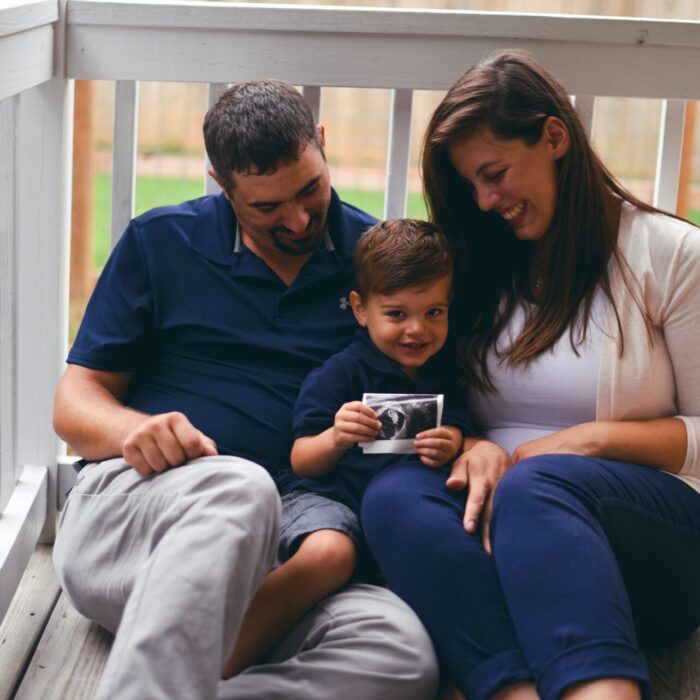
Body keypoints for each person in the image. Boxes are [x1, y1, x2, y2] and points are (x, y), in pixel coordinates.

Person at [51, 80, 438, 700]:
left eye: (310, 188)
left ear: (321, 143)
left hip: (295, 540)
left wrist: (469, 442)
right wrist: (132, 431)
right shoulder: (160, 243)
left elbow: (422, 393)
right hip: (150, 514)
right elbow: (73, 402)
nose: (299, 218)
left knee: (399, 656)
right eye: (266, 208)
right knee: (241, 485)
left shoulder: (377, 266)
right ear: (220, 182)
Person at [361, 49, 700, 700]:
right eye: (471, 187)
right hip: (506, 524)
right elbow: (434, 404)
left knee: (537, 485)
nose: (485, 202)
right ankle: (514, 689)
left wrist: (585, 442)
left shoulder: (668, 256)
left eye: (495, 174)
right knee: (393, 496)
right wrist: (474, 444)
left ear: (554, 136)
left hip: (650, 540)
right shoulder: (473, 267)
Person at [226, 218, 472, 675]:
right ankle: (220, 658)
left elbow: (460, 426)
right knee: (330, 554)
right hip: (326, 500)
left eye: (433, 312)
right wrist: (335, 437)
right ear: (360, 309)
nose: (416, 330)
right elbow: (302, 458)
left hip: (397, 522)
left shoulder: (447, 375)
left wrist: (451, 441)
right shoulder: (342, 373)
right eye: (397, 314)